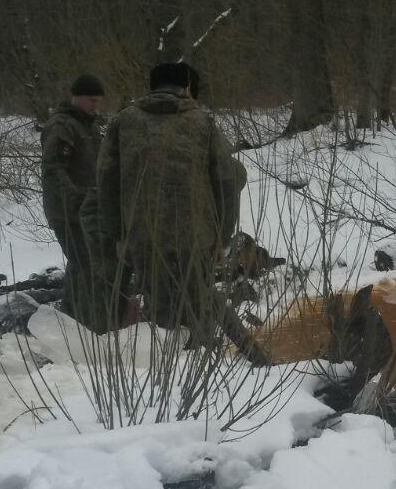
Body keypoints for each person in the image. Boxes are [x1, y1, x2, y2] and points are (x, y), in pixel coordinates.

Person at [80, 62, 246, 341]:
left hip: (143, 234)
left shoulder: (123, 122)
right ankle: (198, 352)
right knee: (198, 301)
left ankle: (168, 355)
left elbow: (106, 181)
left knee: (160, 307)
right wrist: (222, 236)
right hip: (195, 235)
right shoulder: (202, 122)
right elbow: (226, 181)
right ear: (186, 87)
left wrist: (119, 235)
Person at [42, 74, 108, 330]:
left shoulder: (87, 126)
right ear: (77, 97)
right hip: (68, 211)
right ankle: (86, 323)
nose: (96, 106)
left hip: (86, 208)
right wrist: (78, 199)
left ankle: (70, 318)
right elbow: (54, 169)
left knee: (82, 264)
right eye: (92, 100)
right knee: (86, 265)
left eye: (98, 101)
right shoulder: (62, 126)